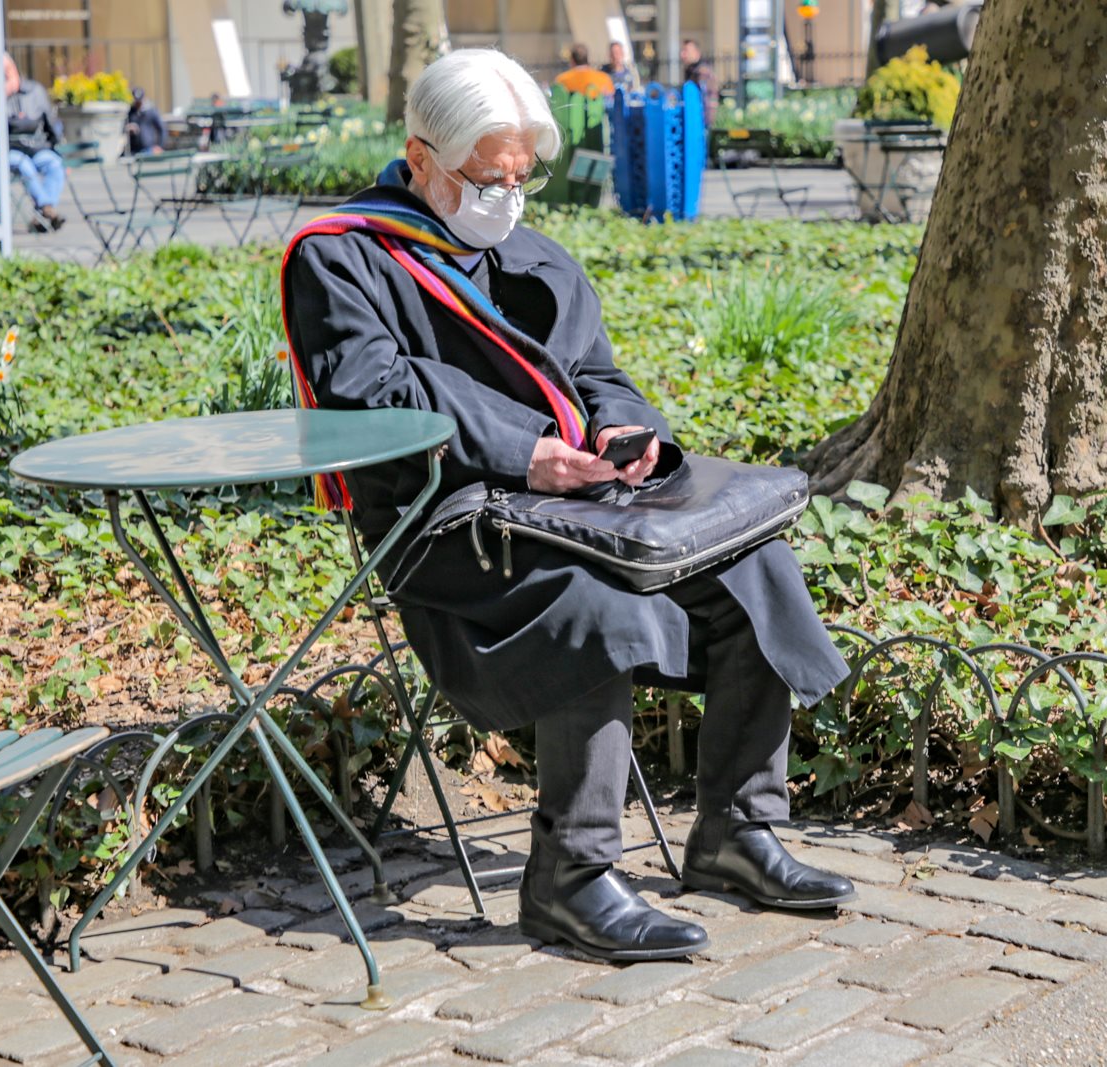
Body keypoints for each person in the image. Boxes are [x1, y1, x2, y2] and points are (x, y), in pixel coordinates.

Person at [281, 49, 854, 963]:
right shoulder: (343, 258)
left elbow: (596, 372)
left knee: (753, 560)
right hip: (450, 524)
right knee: (600, 602)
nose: (507, 197)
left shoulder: (526, 246)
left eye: (521, 176)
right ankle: (572, 880)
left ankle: (737, 832)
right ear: (419, 157)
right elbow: (373, 389)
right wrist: (523, 454)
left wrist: (630, 435)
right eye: (486, 177)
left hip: (581, 503)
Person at [3, 55, 65, 232]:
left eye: (8, 71)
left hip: (36, 147)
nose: (5, 76)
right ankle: (47, 209)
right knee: (25, 166)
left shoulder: (35, 91)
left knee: (54, 163)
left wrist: (56, 146)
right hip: (11, 150)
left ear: (14, 69)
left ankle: (43, 214)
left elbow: (50, 122)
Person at [680, 38, 718, 126]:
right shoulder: (693, 71)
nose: (682, 54)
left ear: (697, 53)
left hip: (700, 122)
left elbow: (705, 101)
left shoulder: (702, 72)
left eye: (686, 51)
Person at [125, 87, 167, 156]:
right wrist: (128, 128)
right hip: (134, 150)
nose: (138, 104)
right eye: (136, 101)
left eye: (140, 101)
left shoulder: (151, 111)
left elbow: (162, 129)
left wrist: (159, 146)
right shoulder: (131, 112)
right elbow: (123, 127)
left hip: (149, 150)